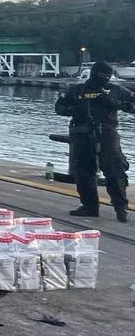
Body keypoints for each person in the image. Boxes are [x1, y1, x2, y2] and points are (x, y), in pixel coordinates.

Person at [54, 60, 132, 222]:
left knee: (114, 169)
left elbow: (132, 104)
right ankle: (89, 206)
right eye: (101, 75)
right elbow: (59, 107)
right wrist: (72, 110)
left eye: (107, 76)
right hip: (82, 132)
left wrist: (117, 104)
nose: (104, 79)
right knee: (83, 171)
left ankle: (120, 207)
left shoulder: (115, 90)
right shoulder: (77, 90)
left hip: (106, 132)